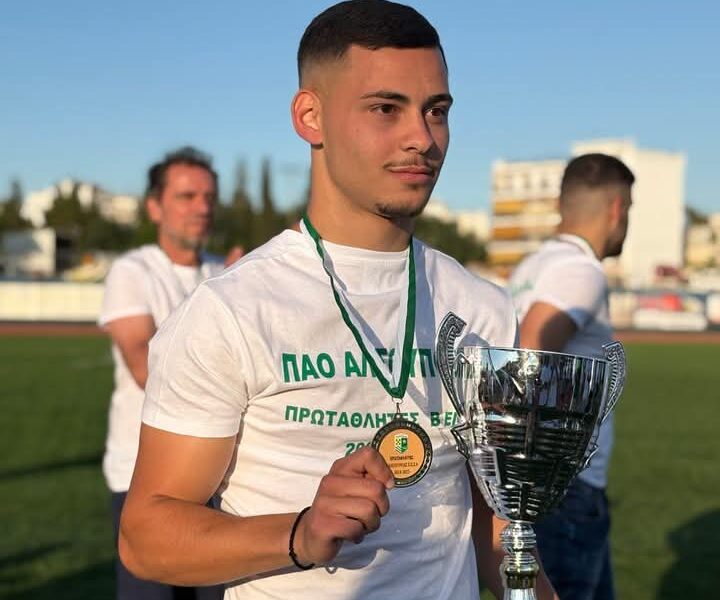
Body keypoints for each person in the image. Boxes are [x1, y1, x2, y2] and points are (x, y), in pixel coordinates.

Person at [119, 2, 557, 599]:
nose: (422, 138)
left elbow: (488, 520)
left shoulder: (482, 306)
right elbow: (146, 537)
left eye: (437, 110)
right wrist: (299, 534)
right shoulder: (233, 309)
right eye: (386, 108)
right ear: (310, 116)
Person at [100, 146, 239, 600]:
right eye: (186, 196)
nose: (202, 207)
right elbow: (145, 368)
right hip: (143, 479)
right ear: (154, 207)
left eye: (209, 197)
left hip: (220, 479)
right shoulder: (133, 272)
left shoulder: (225, 273)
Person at [508, 152, 635, 600]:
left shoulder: (531, 267)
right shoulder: (582, 271)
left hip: (541, 482)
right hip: (565, 487)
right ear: (617, 209)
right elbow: (530, 350)